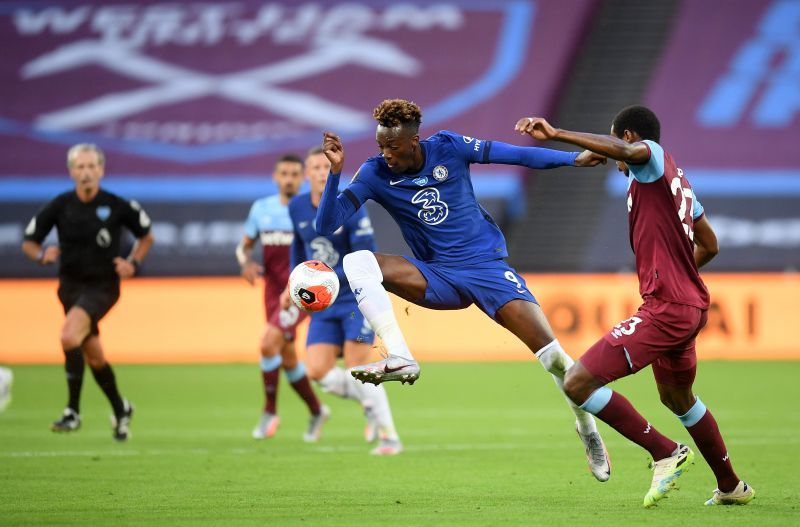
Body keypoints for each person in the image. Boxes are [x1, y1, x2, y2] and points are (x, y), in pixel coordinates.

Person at [316, 99, 611, 480]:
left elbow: (515, 155)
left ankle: (587, 430)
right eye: (380, 147)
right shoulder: (373, 173)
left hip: (486, 268)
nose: (385, 155)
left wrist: (571, 160)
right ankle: (401, 356)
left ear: (414, 141)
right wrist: (335, 173)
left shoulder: (449, 147)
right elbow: (328, 225)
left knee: (554, 358)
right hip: (437, 276)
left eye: (392, 147)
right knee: (357, 261)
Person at [515, 106, 754, 507]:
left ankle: (665, 452)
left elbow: (631, 153)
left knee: (577, 383)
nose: (615, 164)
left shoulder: (653, 159)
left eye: (617, 149)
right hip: (689, 306)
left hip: (668, 308)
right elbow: (709, 244)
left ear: (627, 137)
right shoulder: (680, 184)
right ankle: (731, 487)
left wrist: (557, 133)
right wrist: (679, 274)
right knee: (679, 399)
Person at [21, 143, 153, 441]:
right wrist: (42, 255)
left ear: (101, 170)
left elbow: (147, 235)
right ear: (71, 172)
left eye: (92, 166)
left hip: (102, 287)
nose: (86, 173)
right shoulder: (59, 205)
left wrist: (133, 262)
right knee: (93, 357)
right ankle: (121, 409)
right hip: (69, 288)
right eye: (80, 167)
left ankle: (72, 411)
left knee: (68, 336)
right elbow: (29, 241)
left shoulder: (118, 205)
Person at [283, 146, 403, 455]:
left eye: (327, 167)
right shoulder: (297, 207)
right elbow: (299, 248)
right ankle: (369, 403)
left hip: (354, 299)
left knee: (357, 368)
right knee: (318, 371)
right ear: (307, 174)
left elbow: (365, 256)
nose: (322, 172)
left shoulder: (349, 206)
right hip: (322, 304)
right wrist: (293, 283)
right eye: (316, 168)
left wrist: (324, 277)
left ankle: (390, 437)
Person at [237, 154, 329, 442]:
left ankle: (269, 411)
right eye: (284, 174)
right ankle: (317, 410)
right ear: (275, 177)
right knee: (287, 358)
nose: (289, 179)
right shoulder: (261, 210)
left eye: (293, 174)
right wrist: (246, 263)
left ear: (302, 177)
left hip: (299, 292)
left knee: (267, 344)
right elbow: (244, 247)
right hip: (271, 291)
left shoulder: (309, 209)